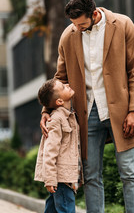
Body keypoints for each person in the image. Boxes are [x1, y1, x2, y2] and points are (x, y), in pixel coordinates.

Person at [40, 0, 134, 213]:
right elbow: (59, 78)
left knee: (129, 172)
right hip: (86, 114)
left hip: (121, 111)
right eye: (73, 24)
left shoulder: (123, 24)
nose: (76, 28)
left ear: (94, 14)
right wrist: (47, 109)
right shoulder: (68, 35)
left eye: (81, 24)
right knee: (91, 176)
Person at [34, 78, 83, 213]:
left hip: (62, 177)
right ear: (59, 101)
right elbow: (49, 151)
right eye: (63, 87)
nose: (68, 84)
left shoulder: (69, 115)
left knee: (53, 209)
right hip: (61, 179)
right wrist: (50, 179)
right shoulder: (56, 119)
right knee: (66, 209)